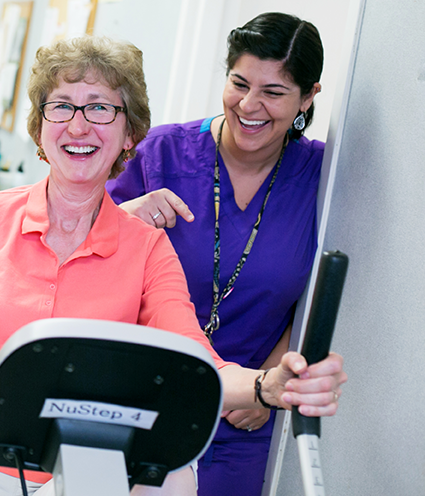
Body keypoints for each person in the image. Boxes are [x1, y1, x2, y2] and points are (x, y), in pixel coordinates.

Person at [0, 35, 345, 496]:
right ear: (41, 128)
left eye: (100, 107)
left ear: (129, 133)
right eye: (61, 105)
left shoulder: (148, 251)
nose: (78, 124)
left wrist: (266, 387)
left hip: (70, 467)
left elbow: (197, 364)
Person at [105, 13, 329, 496]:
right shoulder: (160, 153)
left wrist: (268, 383)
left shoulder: (321, 178)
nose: (249, 105)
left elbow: (321, 293)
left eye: (274, 92)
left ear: (308, 96)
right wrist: (125, 215)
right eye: (239, 83)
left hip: (242, 415)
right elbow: (80, 249)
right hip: (139, 395)